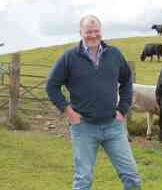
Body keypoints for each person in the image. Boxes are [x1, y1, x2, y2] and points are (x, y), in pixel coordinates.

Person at [46, 15, 141, 190]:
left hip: (113, 126)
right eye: (88, 31)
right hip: (83, 127)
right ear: (81, 33)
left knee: (132, 177)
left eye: (96, 31)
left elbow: (127, 81)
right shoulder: (69, 57)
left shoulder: (114, 54)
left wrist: (123, 109)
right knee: (83, 180)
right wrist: (69, 113)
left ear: (101, 32)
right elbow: (51, 86)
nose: (93, 35)